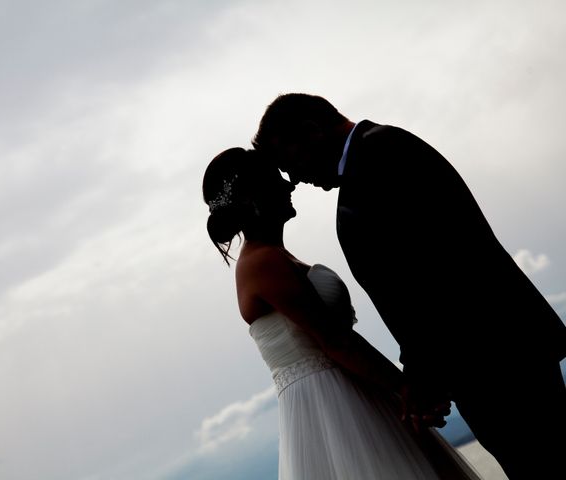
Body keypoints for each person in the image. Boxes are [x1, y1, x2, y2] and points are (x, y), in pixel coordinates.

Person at [252, 93, 566, 480]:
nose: (296, 179)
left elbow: (433, 273)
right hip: (489, 357)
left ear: (312, 131)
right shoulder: (378, 153)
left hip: (495, 357)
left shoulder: (381, 156)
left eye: (292, 162)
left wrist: (418, 374)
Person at [202, 147, 481, 480]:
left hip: (357, 392)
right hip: (330, 409)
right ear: (252, 196)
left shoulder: (275, 256)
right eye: (276, 180)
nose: (289, 186)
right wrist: (406, 388)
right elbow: (335, 340)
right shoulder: (262, 262)